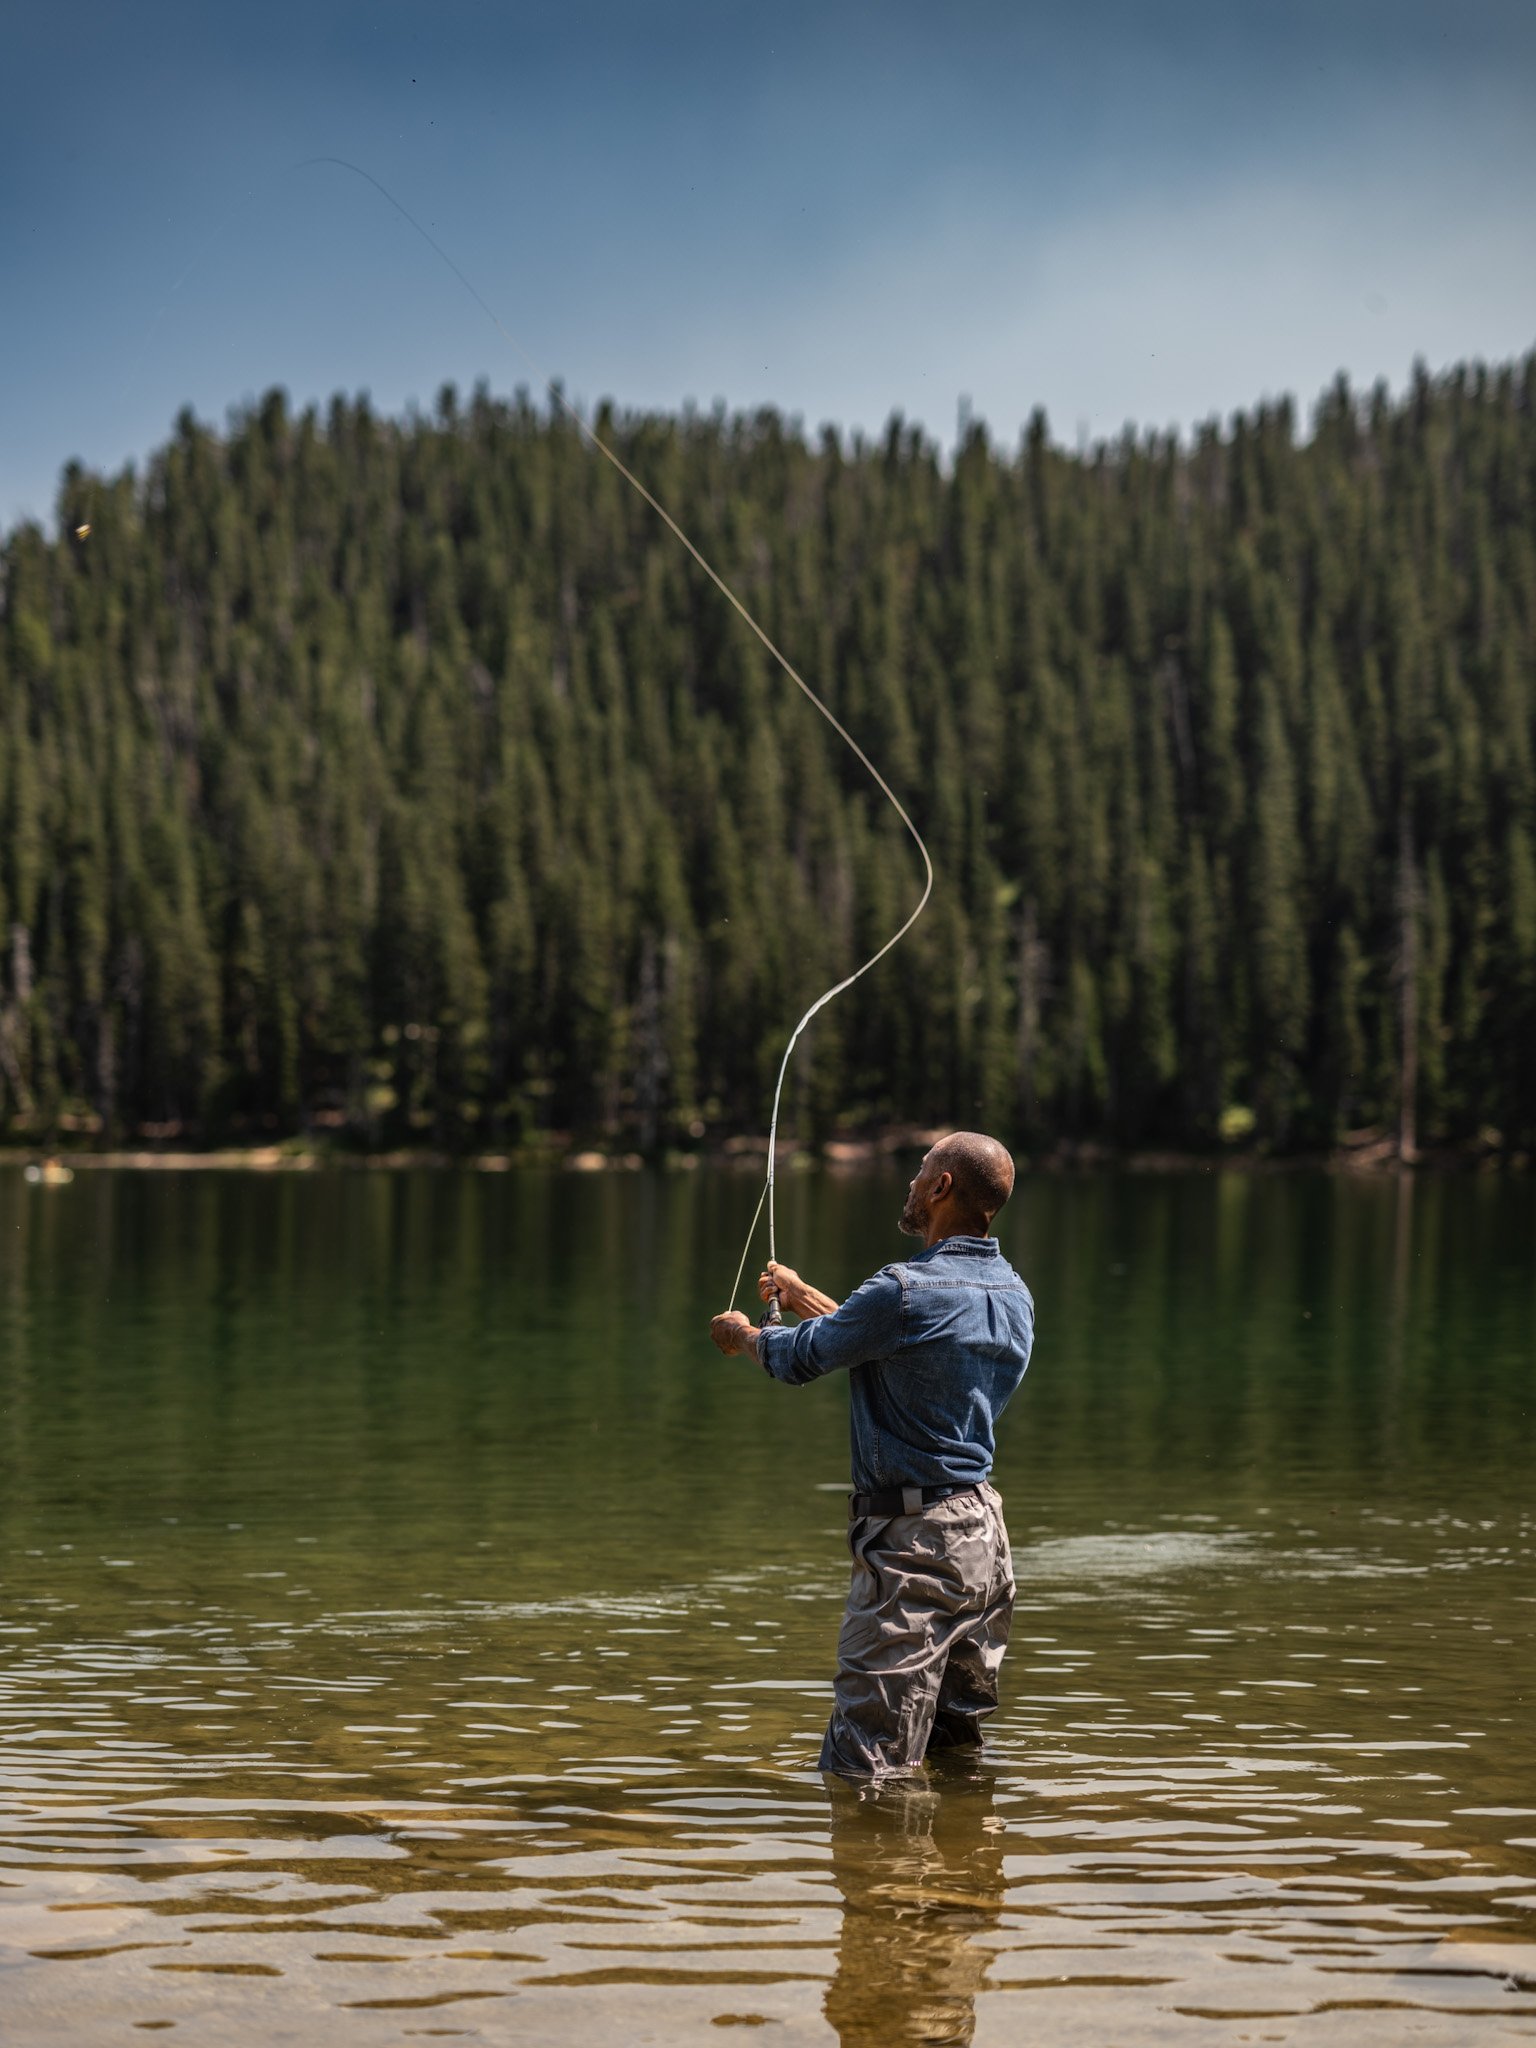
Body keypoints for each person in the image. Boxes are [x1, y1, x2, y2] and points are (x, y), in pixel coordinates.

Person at [710, 1131, 1035, 1778]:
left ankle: (882, 1876)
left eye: (921, 1171)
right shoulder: (1012, 1292)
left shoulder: (904, 1290)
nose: (912, 1183)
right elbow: (874, 1340)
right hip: (984, 1541)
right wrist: (800, 1294)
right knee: (954, 1753)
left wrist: (745, 1334)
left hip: (915, 1543)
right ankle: (965, 1873)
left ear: (942, 1187)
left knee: (867, 1764)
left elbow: (800, 1359)